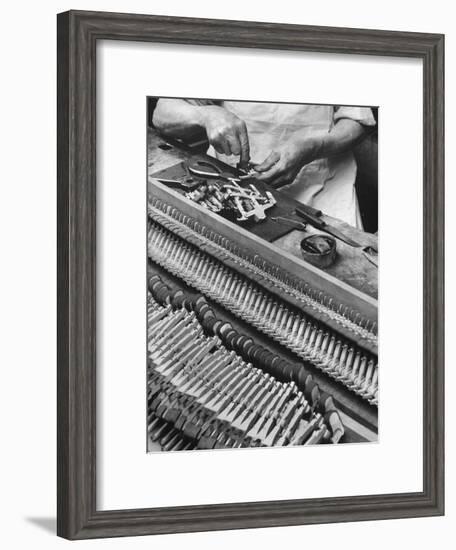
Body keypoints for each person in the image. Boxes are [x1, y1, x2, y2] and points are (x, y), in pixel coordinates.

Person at [152, 99, 376, 228]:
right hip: (230, 189)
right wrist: (205, 115)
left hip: (323, 192)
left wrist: (313, 147)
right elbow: (162, 113)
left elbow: (357, 121)